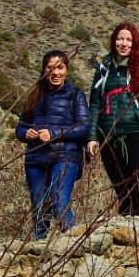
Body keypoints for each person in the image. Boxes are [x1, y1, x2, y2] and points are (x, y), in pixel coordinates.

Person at [87, 23, 139, 215]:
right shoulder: (103, 68)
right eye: (120, 39)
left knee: (136, 185)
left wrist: (136, 116)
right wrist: (92, 136)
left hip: (136, 134)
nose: (124, 43)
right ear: (113, 41)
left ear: (135, 43)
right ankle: (124, 232)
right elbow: (94, 104)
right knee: (119, 187)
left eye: (128, 40)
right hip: (108, 134)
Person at [16, 50, 89, 238]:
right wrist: (27, 133)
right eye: (50, 68)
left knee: (59, 201)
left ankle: (72, 243)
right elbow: (19, 129)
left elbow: (84, 127)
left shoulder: (75, 95)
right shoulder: (34, 95)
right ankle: (37, 248)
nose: (55, 73)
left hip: (65, 157)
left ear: (67, 71)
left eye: (60, 68)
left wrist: (53, 134)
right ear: (44, 70)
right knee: (39, 207)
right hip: (35, 158)